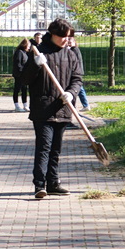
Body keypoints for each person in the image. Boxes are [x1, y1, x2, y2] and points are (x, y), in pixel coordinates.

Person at [21, 19, 83, 199]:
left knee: (56, 149)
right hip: (43, 108)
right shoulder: (38, 52)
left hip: (63, 108)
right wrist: (35, 64)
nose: (66, 40)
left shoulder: (70, 55)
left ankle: (53, 183)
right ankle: (40, 185)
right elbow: (24, 79)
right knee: (44, 147)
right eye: (63, 36)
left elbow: (77, 78)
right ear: (53, 34)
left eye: (68, 37)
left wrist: (71, 93)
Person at [67, 36, 90, 111]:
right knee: (78, 88)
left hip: (76, 72)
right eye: (68, 42)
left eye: (70, 42)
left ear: (74, 42)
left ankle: (84, 105)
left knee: (78, 88)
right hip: (76, 71)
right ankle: (83, 105)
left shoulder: (74, 50)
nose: (69, 43)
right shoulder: (73, 49)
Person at [11, 39, 30, 112]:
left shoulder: (24, 53)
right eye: (28, 46)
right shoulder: (19, 52)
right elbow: (18, 64)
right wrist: (22, 72)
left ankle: (25, 105)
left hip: (24, 74)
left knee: (24, 89)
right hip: (19, 74)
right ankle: (17, 105)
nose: (29, 47)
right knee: (17, 89)